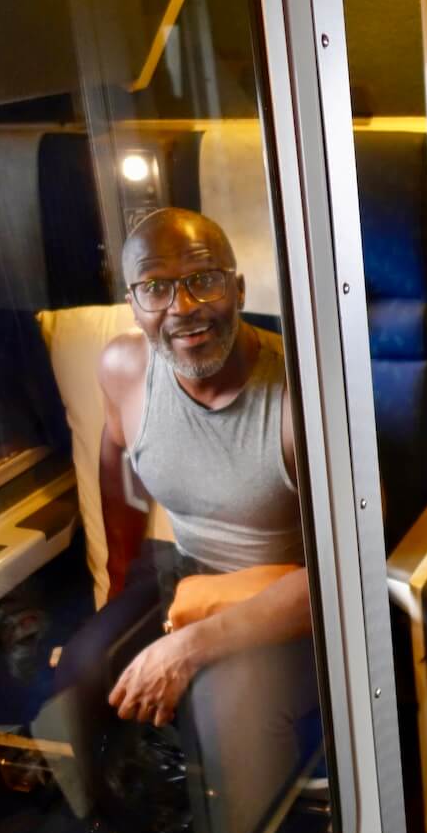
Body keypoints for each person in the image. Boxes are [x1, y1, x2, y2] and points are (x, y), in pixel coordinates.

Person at [91, 207, 313, 728]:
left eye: (203, 281)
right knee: (82, 676)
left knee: (220, 718)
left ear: (238, 290)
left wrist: (188, 648)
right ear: (133, 304)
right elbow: (116, 480)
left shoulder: (304, 398)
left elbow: (350, 570)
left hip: (291, 601)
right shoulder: (123, 371)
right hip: (185, 576)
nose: (182, 308)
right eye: (155, 287)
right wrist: (117, 582)